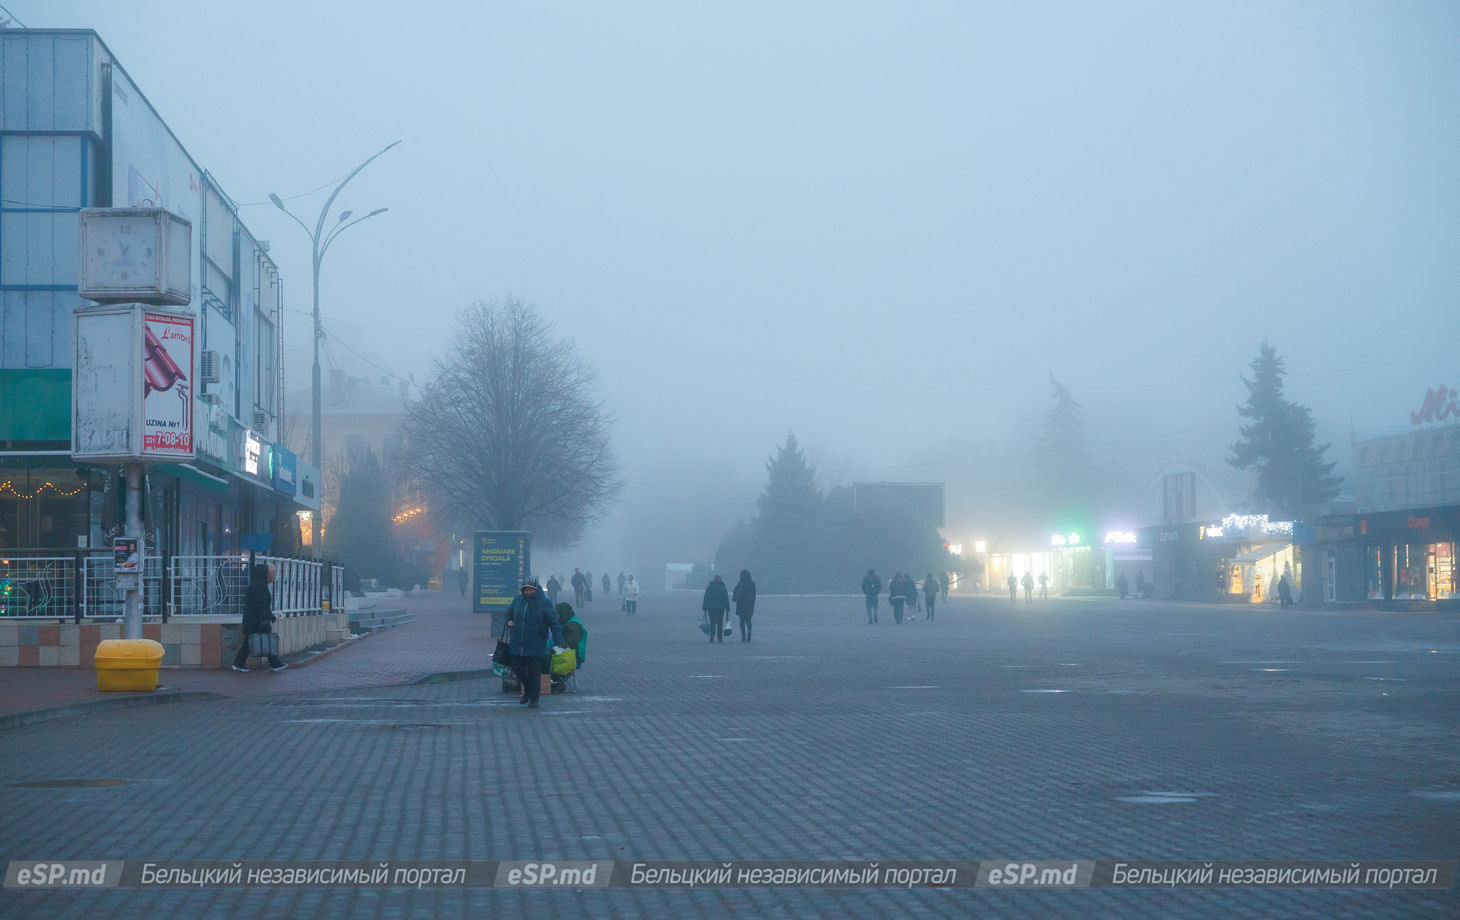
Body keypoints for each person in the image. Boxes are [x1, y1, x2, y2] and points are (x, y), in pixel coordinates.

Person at [506, 581, 562, 708]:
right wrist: (510, 620)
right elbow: (509, 614)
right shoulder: (518, 600)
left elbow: (553, 622)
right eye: (525, 590)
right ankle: (528, 690)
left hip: (536, 642)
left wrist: (558, 639)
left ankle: (534, 698)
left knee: (534, 671)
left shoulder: (544, 602)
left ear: (536, 589)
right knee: (517, 669)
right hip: (517, 642)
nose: (528, 592)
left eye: (531, 590)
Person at [232, 562, 286, 672]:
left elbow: (262, 604)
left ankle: (274, 664)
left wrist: (269, 616)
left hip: (254, 619)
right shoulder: (259, 586)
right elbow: (261, 604)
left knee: (252, 642)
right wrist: (266, 618)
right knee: (263, 641)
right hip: (257, 620)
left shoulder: (256, 584)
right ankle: (275, 664)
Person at [551, 602, 588, 693]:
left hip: (575, 654)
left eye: (557, 613)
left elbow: (571, 642)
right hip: (568, 651)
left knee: (546, 657)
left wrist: (554, 647)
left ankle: (554, 681)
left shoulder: (573, 625)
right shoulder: (567, 622)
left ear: (562, 614)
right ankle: (553, 681)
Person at [702, 574, 730, 642]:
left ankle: (712, 635)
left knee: (712, 622)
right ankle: (719, 638)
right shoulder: (723, 588)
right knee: (720, 623)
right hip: (720, 608)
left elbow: (706, 598)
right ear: (720, 580)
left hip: (711, 608)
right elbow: (726, 598)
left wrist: (704, 607)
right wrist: (727, 607)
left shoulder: (709, 587)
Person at [732, 569, 757, 642]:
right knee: (748, 620)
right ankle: (749, 631)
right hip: (749, 605)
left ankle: (743, 636)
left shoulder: (741, 583)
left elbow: (734, 591)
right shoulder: (752, 584)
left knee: (742, 621)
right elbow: (754, 595)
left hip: (741, 605)